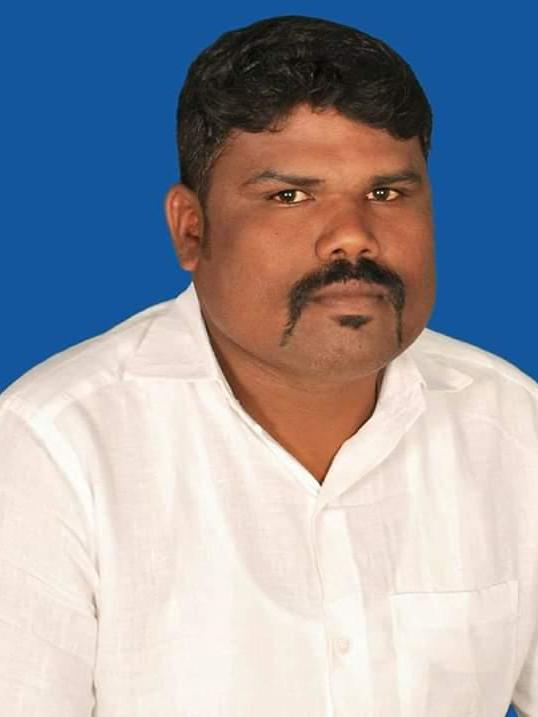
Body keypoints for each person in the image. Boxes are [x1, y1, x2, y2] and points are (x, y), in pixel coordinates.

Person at [0, 14, 536, 717]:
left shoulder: (511, 423)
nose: (353, 236)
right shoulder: (54, 450)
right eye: (290, 196)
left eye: (386, 193)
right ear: (191, 229)